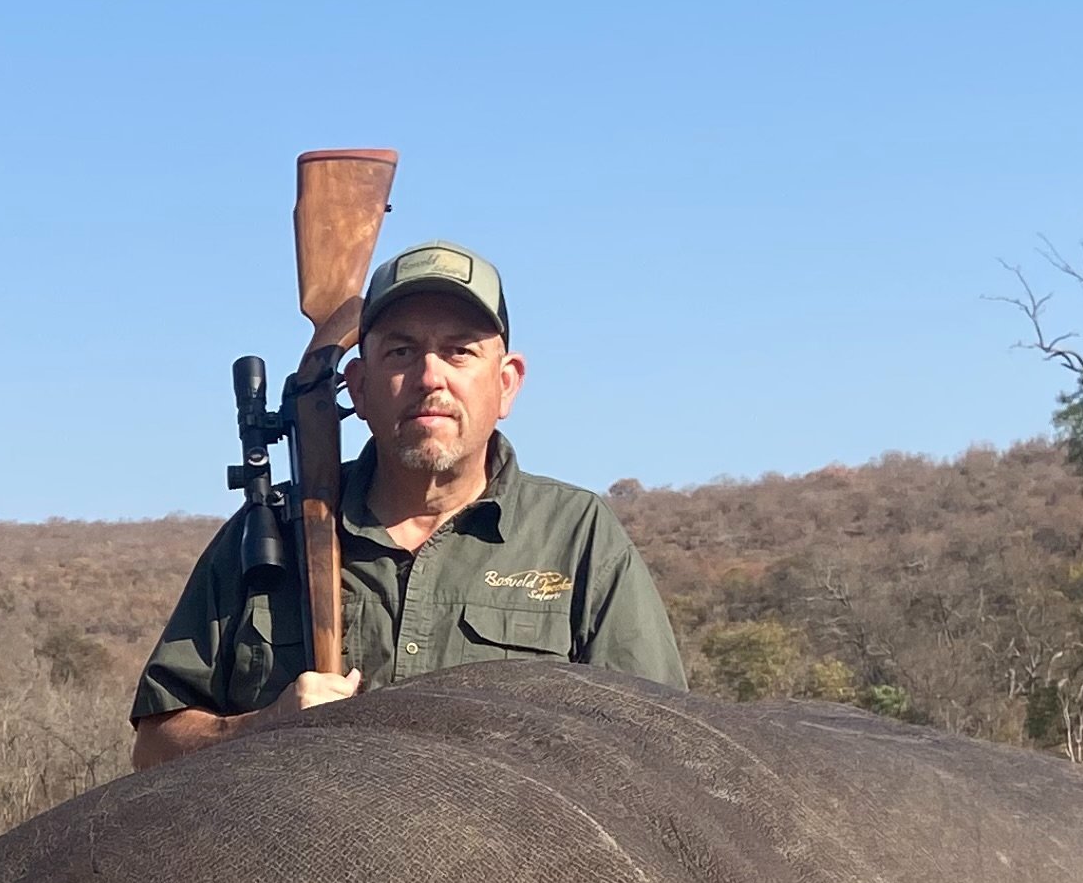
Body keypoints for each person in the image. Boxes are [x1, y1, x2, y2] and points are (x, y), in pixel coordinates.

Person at [128, 242, 689, 765]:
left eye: (459, 352)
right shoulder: (266, 534)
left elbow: (663, 744)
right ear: (360, 386)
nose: (429, 377)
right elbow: (154, 744)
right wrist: (258, 729)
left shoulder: (578, 534)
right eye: (401, 351)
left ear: (507, 384)